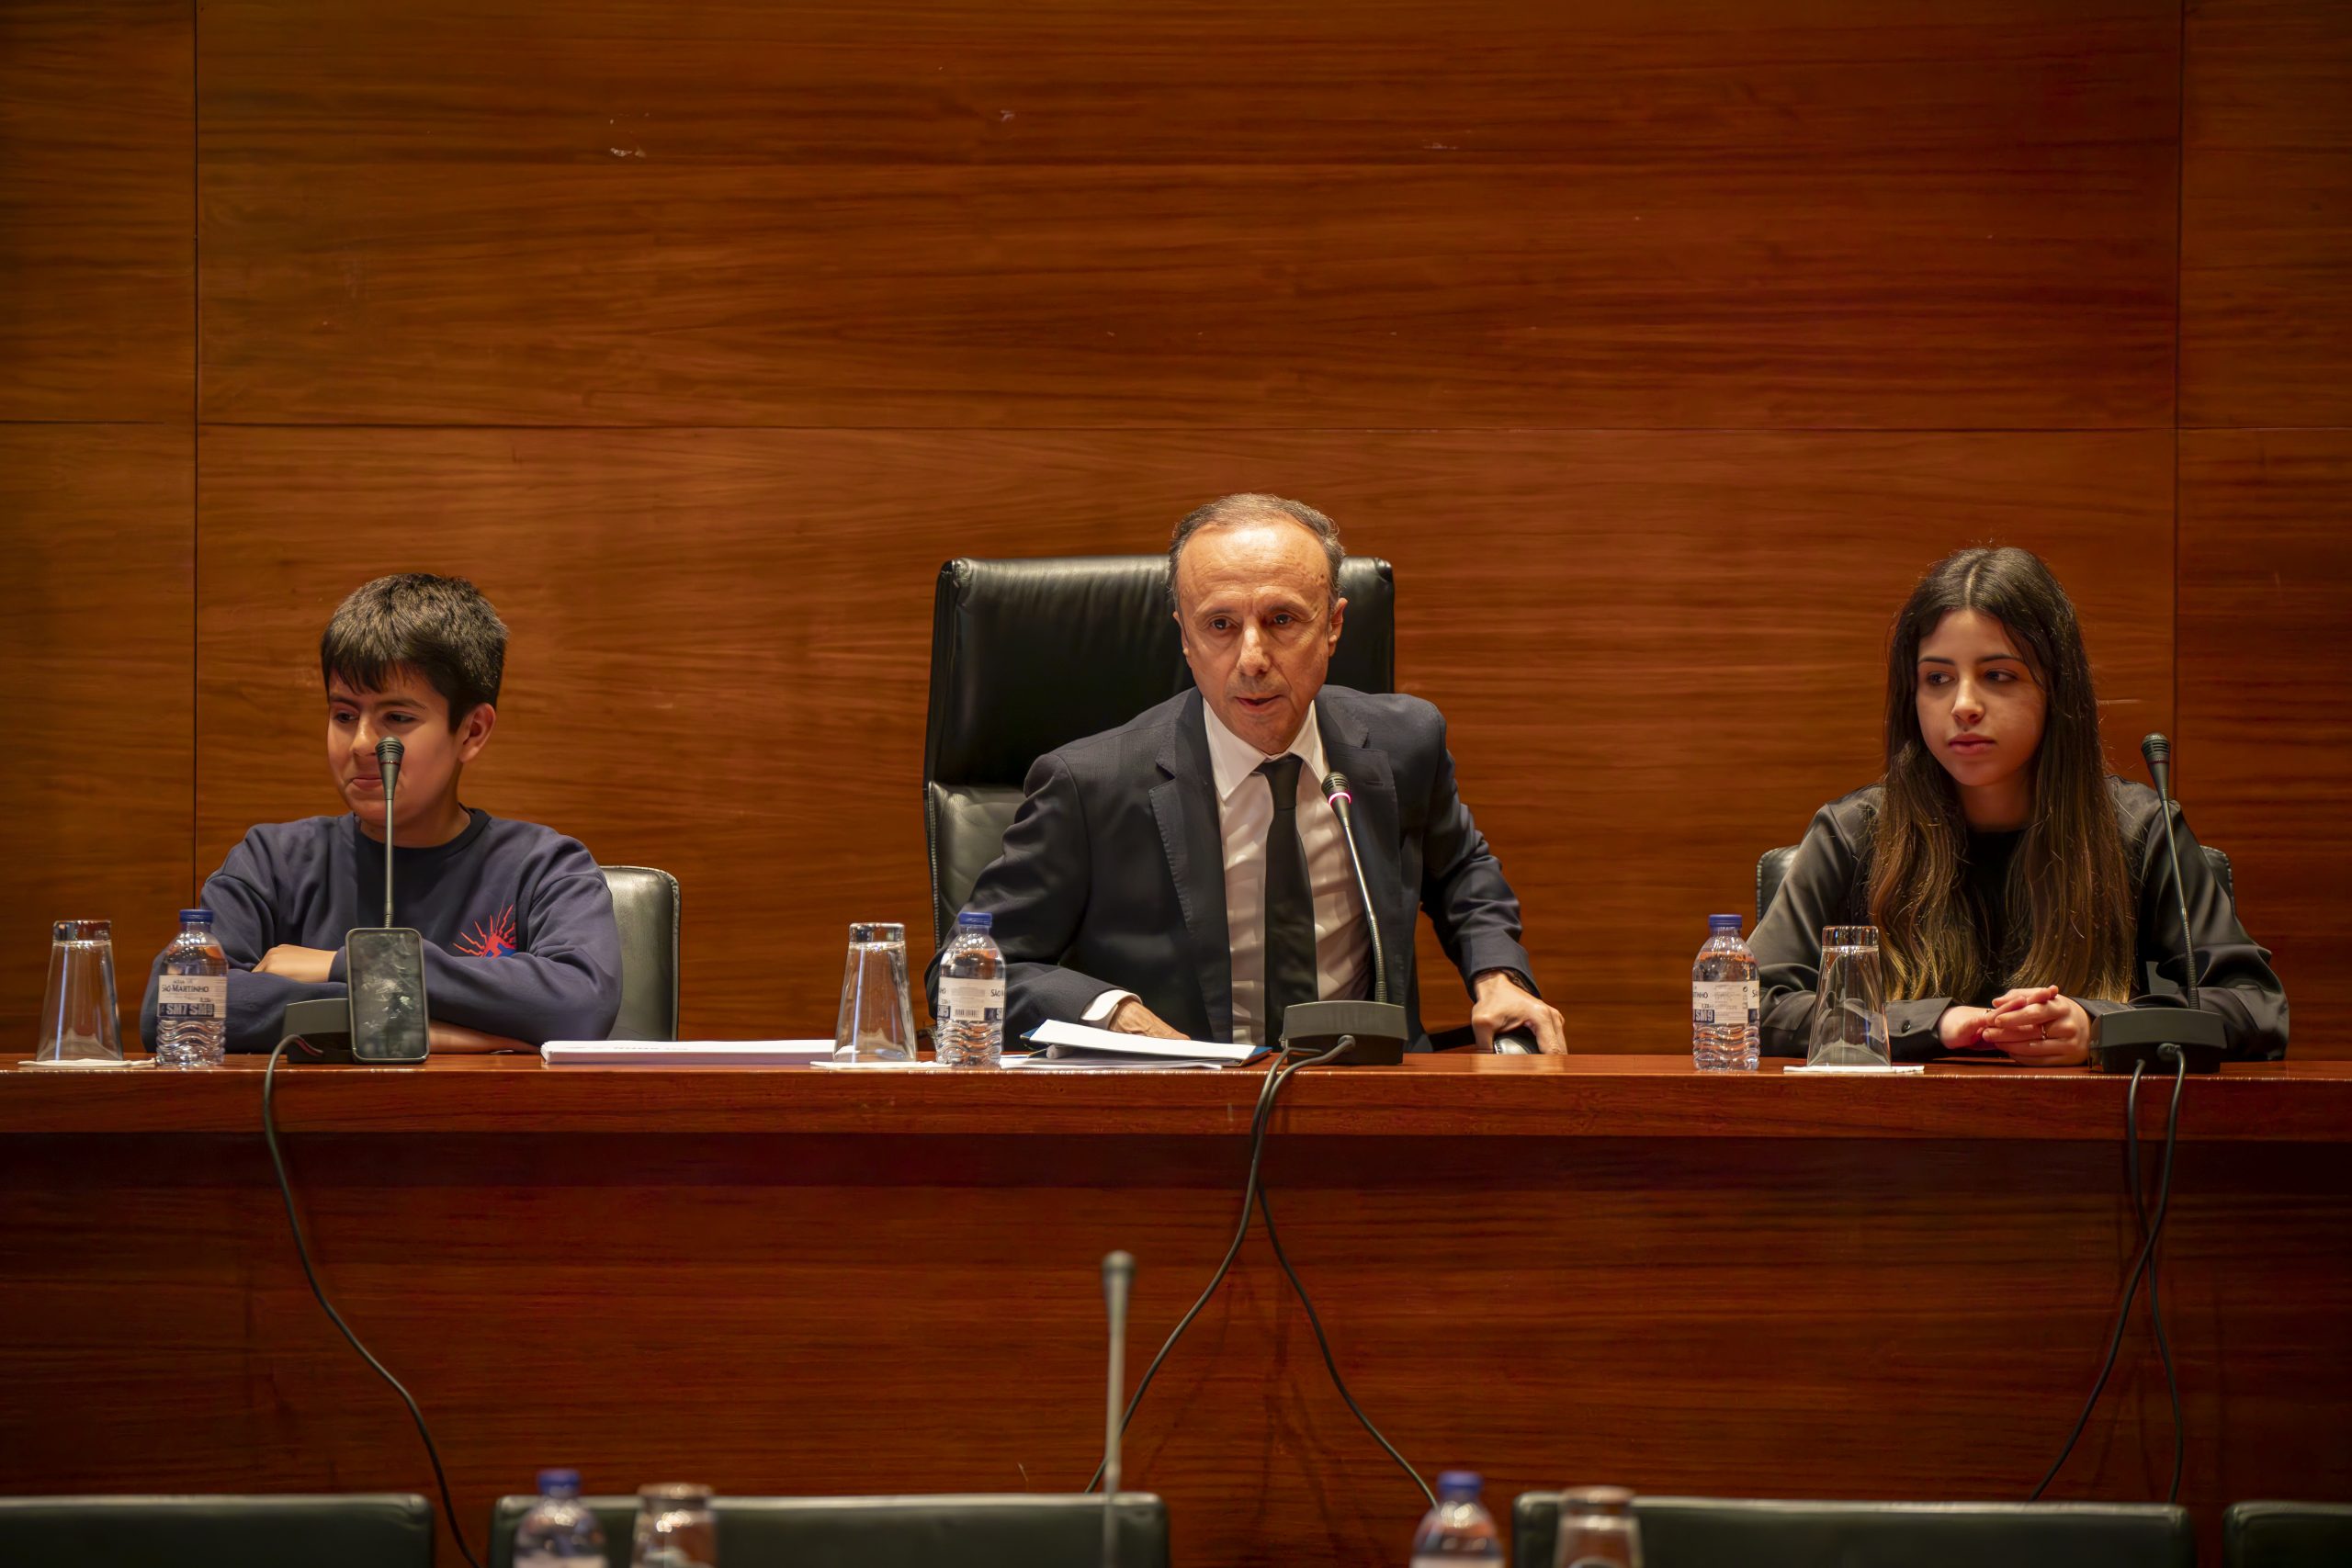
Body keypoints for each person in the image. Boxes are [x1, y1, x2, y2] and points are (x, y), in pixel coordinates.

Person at [932, 493, 1566, 1053]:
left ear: (1335, 624)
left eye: (1283, 620)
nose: (1253, 658)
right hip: (1184, 1123)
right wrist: (1114, 1014)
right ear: (1185, 637)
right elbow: (967, 973)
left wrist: (1497, 977)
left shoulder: (1404, 744)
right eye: (1220, 626)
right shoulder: (1091, 784)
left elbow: (1462, 872)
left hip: (1372, 1103)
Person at [1752, 547, 2286, 1063]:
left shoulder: (2139, 829)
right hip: (1898, 1140)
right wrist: (1929, 1023)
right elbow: (1751, 1005)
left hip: (2088, 1141)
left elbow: (2255, 1007)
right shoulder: (1853, 832)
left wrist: (2100, 1026)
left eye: (1998, 676)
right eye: (1937, 679)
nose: (1963, 705)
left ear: (2056, 689)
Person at [139, 573, 622, 1054]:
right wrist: (435, 1034)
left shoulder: (545, 866)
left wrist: (342, 964)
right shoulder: (271, 861)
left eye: (397, 718)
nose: (363, 744)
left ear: (472, 731)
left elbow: (579, 1003)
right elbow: (177, 1003)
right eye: (344, 716)